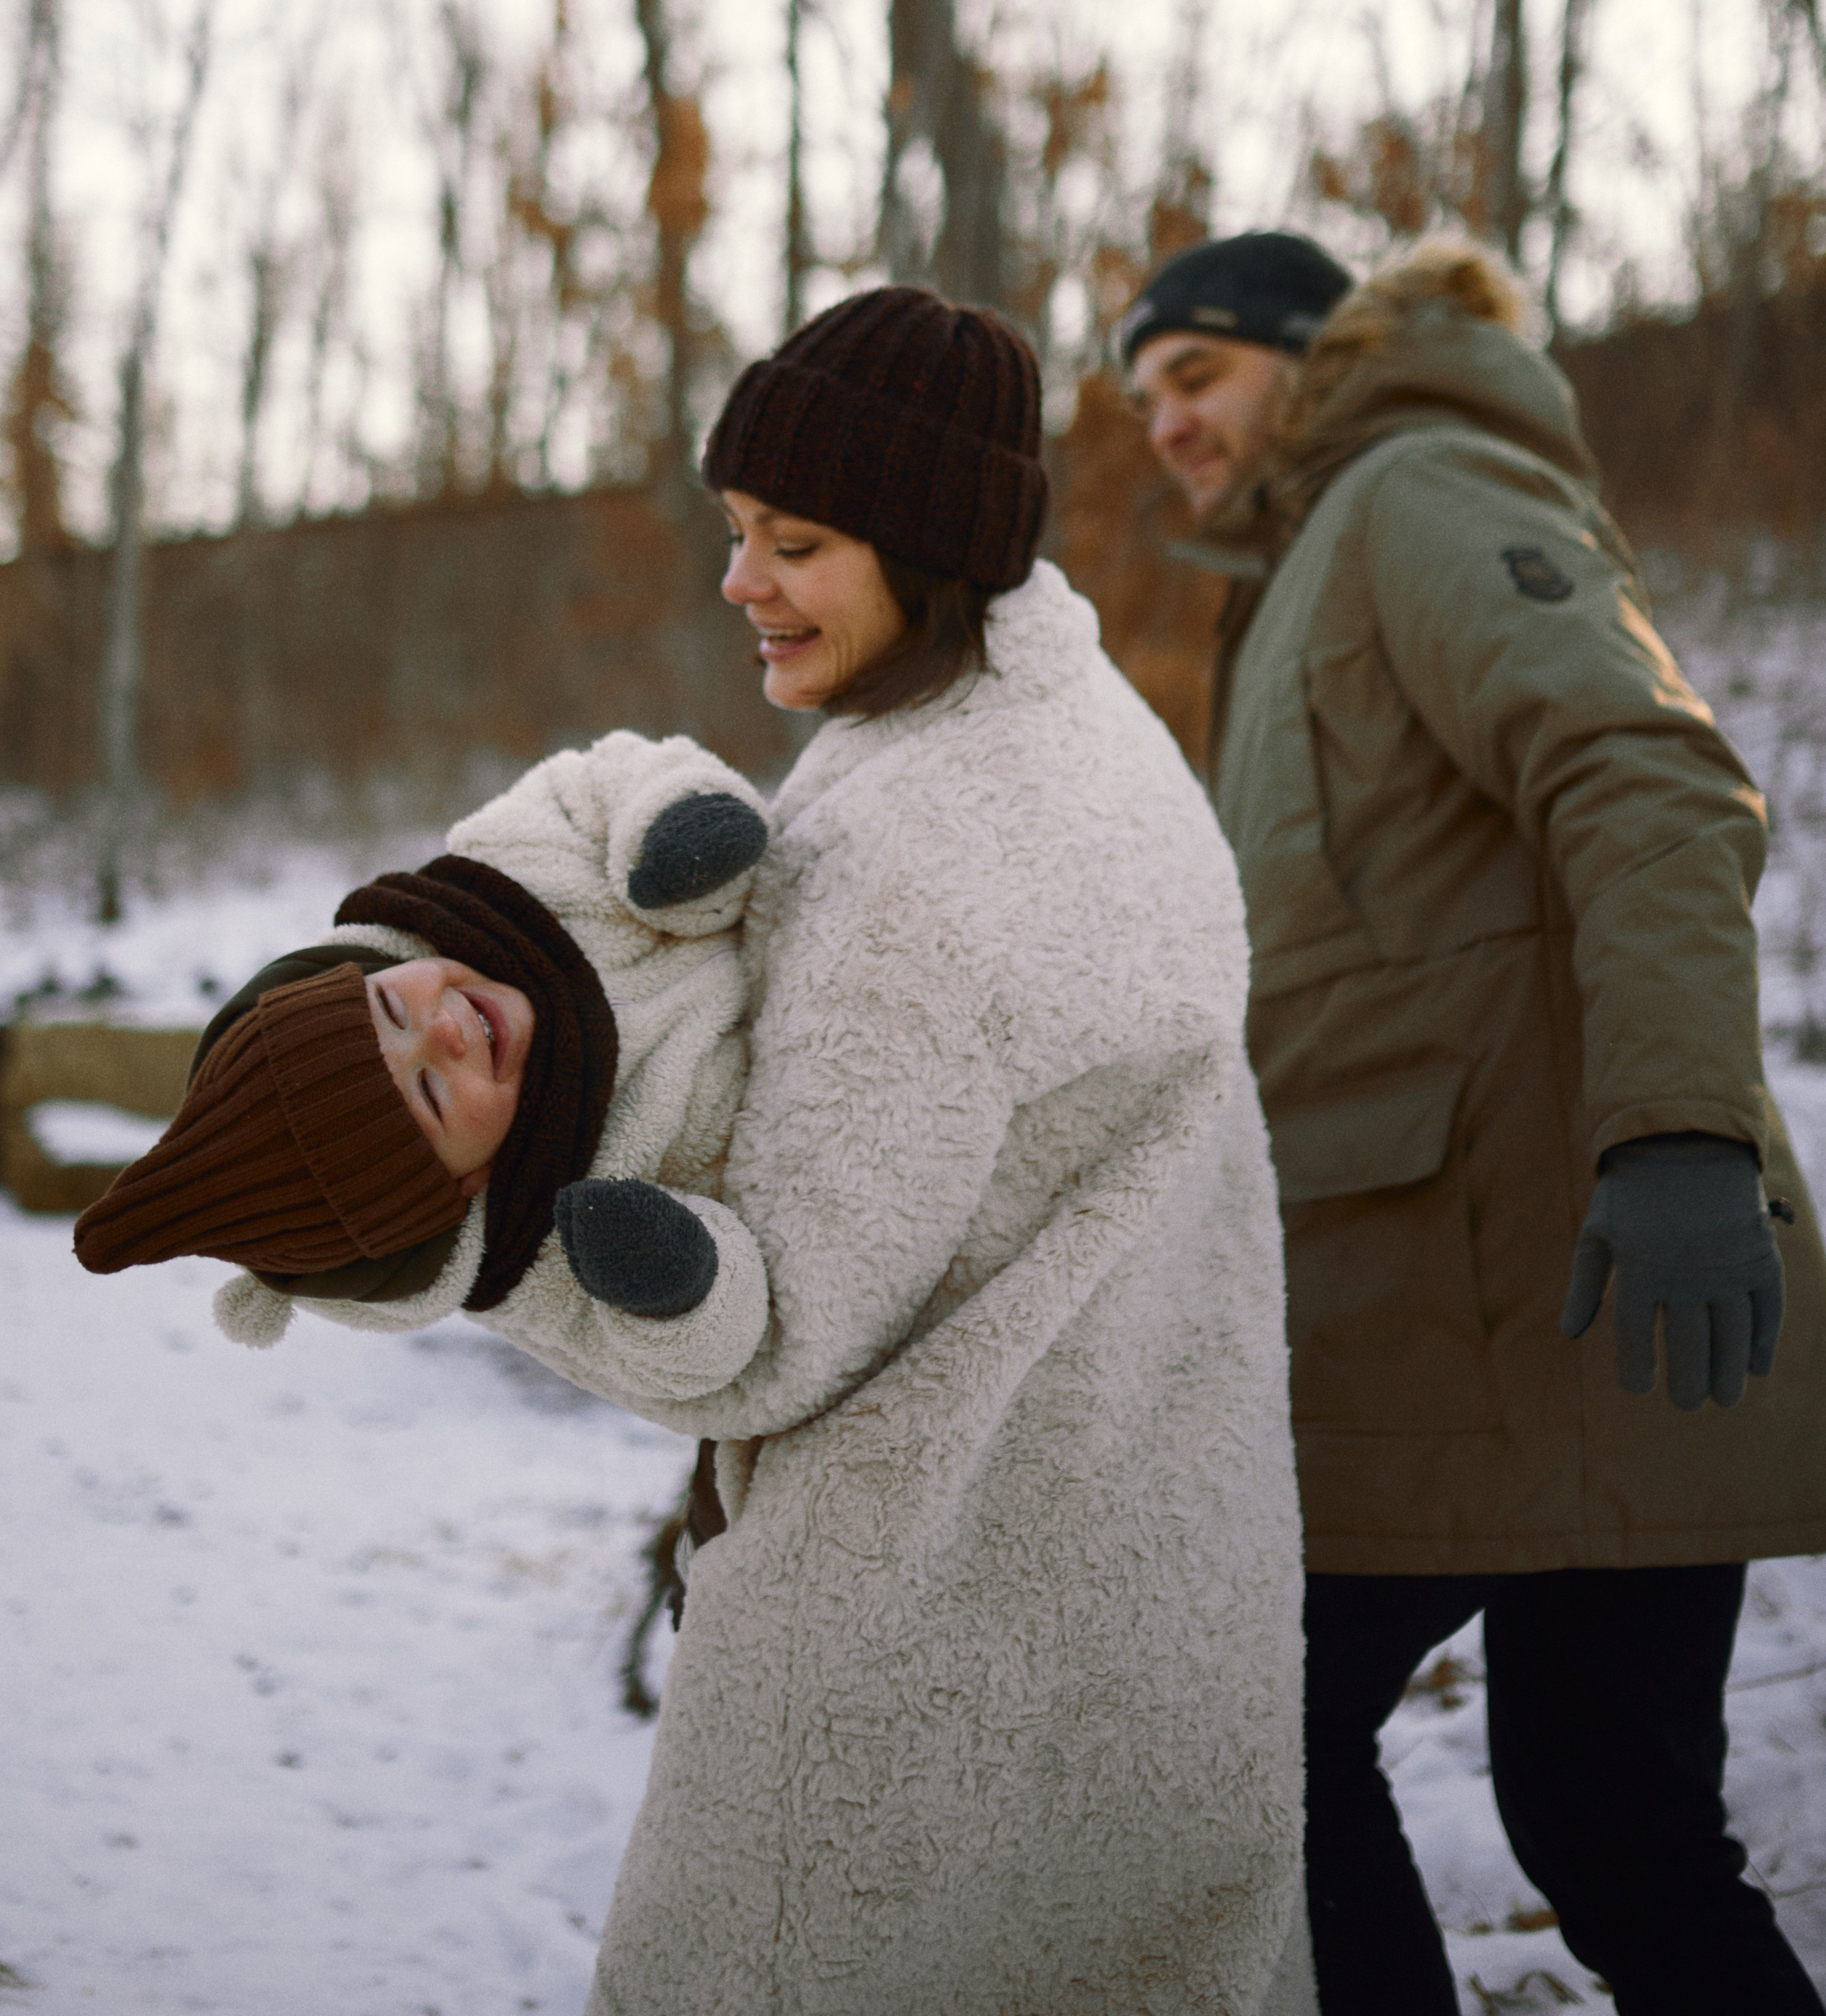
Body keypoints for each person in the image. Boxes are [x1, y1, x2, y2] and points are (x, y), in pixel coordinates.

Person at [511, 285, 1310, 2016]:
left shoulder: (914, 850)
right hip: (1160, 1588)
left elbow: (774, 1335)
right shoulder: (1093, 741)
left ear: (933, 546)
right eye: (738, 530)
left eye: (795, 542)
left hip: (919, 1635)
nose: (740, 580)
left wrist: (494, 1243)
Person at [1122, 224, 1826, 2015]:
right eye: (1141, 399)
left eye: (1195, 372)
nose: (1166, 424)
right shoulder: (1292, 571)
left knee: (1244, 1736)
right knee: (1611, 1822)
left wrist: (1677, 1138)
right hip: (1453, 1289)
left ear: (1318, 353)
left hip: (1560, 1269)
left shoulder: (1414, 486)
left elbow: (1641, 772)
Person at [72, 730, 771, 1349]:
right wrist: (676, 1285)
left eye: (389, 1007)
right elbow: (719, 1359)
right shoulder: (548, 1260)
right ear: (464, 1187)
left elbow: (592, 780)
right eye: (432, 1093)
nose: (443, 1030)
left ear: (365, 970)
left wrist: (671, 821)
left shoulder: (509, 876)